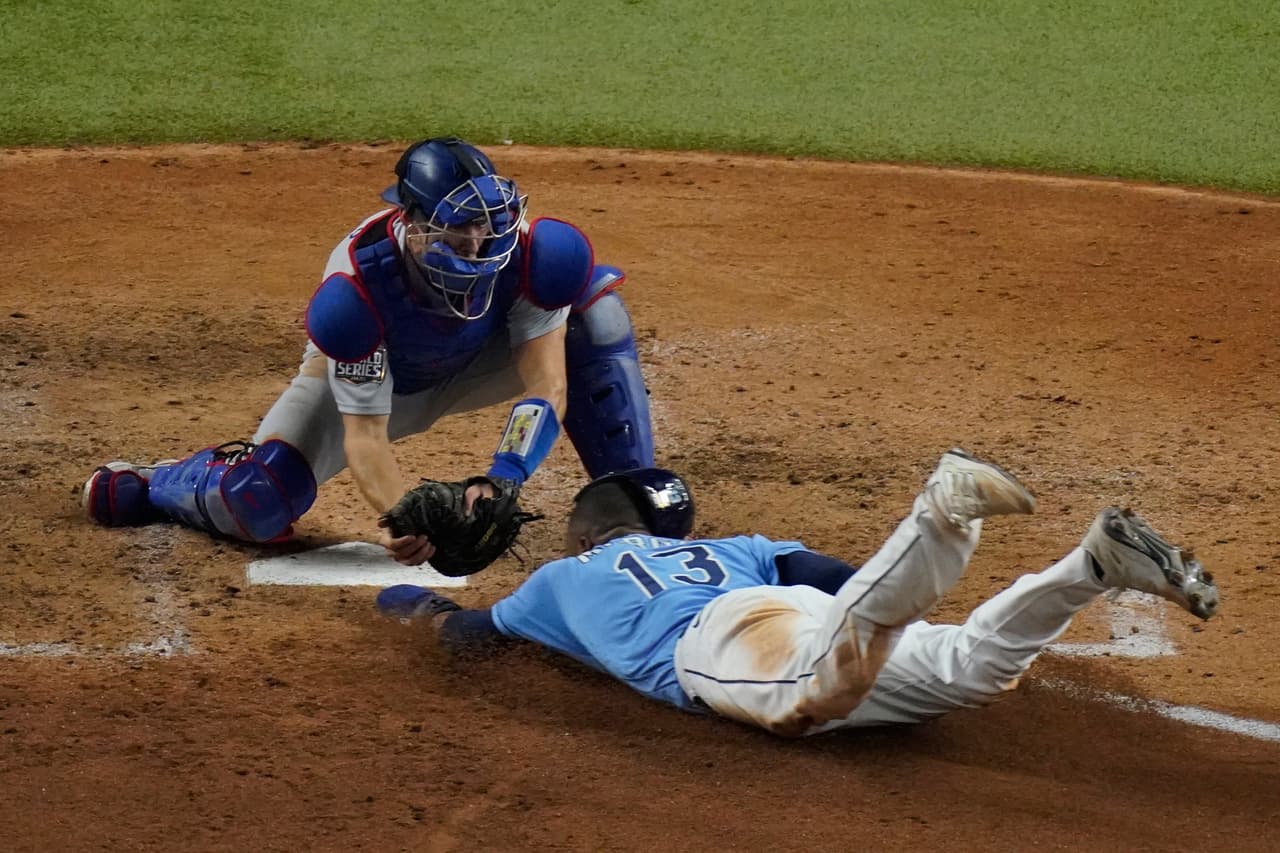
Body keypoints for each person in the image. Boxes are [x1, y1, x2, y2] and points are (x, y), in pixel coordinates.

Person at [81, 136, 655, 566]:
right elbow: (366, 435)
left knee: (595, 317)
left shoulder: (533, 254)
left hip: (481, 357)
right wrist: (404, 519)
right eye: (460, 230)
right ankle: (163, 484)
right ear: (414, 223)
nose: (480, 244)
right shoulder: (356, 294)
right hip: (388, 379)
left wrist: (505, 475)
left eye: (486, 223)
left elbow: (546, 386)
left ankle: (641, 512)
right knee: (256, 499)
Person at [375, 448, 1220, 737]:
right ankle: (1092, 568)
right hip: (793, 613)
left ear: (588, 535)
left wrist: (403, 601)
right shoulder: (732, 546)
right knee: (967, 669)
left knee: (811, 696)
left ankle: (943, 510)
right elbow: (837, 581)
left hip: (721, 647)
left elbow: (465, 636)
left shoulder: (560, 579)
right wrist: (874, 611)